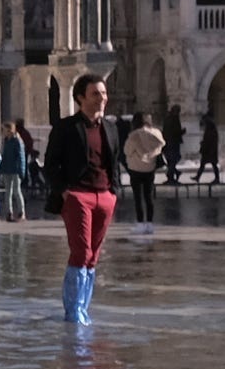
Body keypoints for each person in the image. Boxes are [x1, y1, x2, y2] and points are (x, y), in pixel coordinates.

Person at [44, 74, 119, 322]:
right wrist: (66, 192)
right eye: (95, 94)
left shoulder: (110, 127)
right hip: (78, 196)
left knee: (94, 254)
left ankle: (83, 307)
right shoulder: (66, 127)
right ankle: (73, 311)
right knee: (81, 251)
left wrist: (113, 193)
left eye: (104, 93)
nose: (102, 99)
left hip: (104, 195)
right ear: (80, 98)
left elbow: (114, 161)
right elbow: (51, 164)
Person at [122, 110, 164, 229]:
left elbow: (127, 151)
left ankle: (140, 223)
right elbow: (160, 148)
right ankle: (150, 223)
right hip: (150, 168)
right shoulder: (157, 134)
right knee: (149, 196)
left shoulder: (134, 135)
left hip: (135, 169)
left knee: (138, 197)